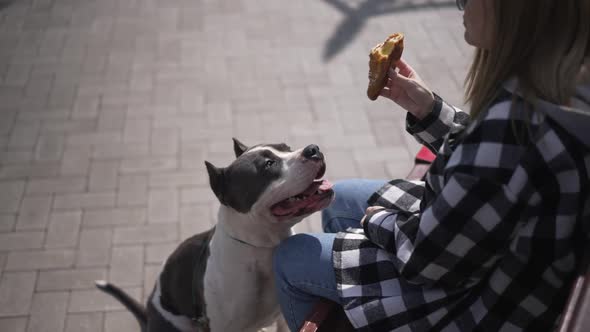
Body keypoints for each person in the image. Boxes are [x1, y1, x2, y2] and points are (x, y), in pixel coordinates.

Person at [272, 0, 590, 331]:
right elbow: (485, 167)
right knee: (340, 197)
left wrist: (378, 221)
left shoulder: (514, 124)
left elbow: (426, 259)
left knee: (290, 260)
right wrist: (430, 111)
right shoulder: (559, 87)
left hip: (474, 307)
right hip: (499, 272)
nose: (459, 3)